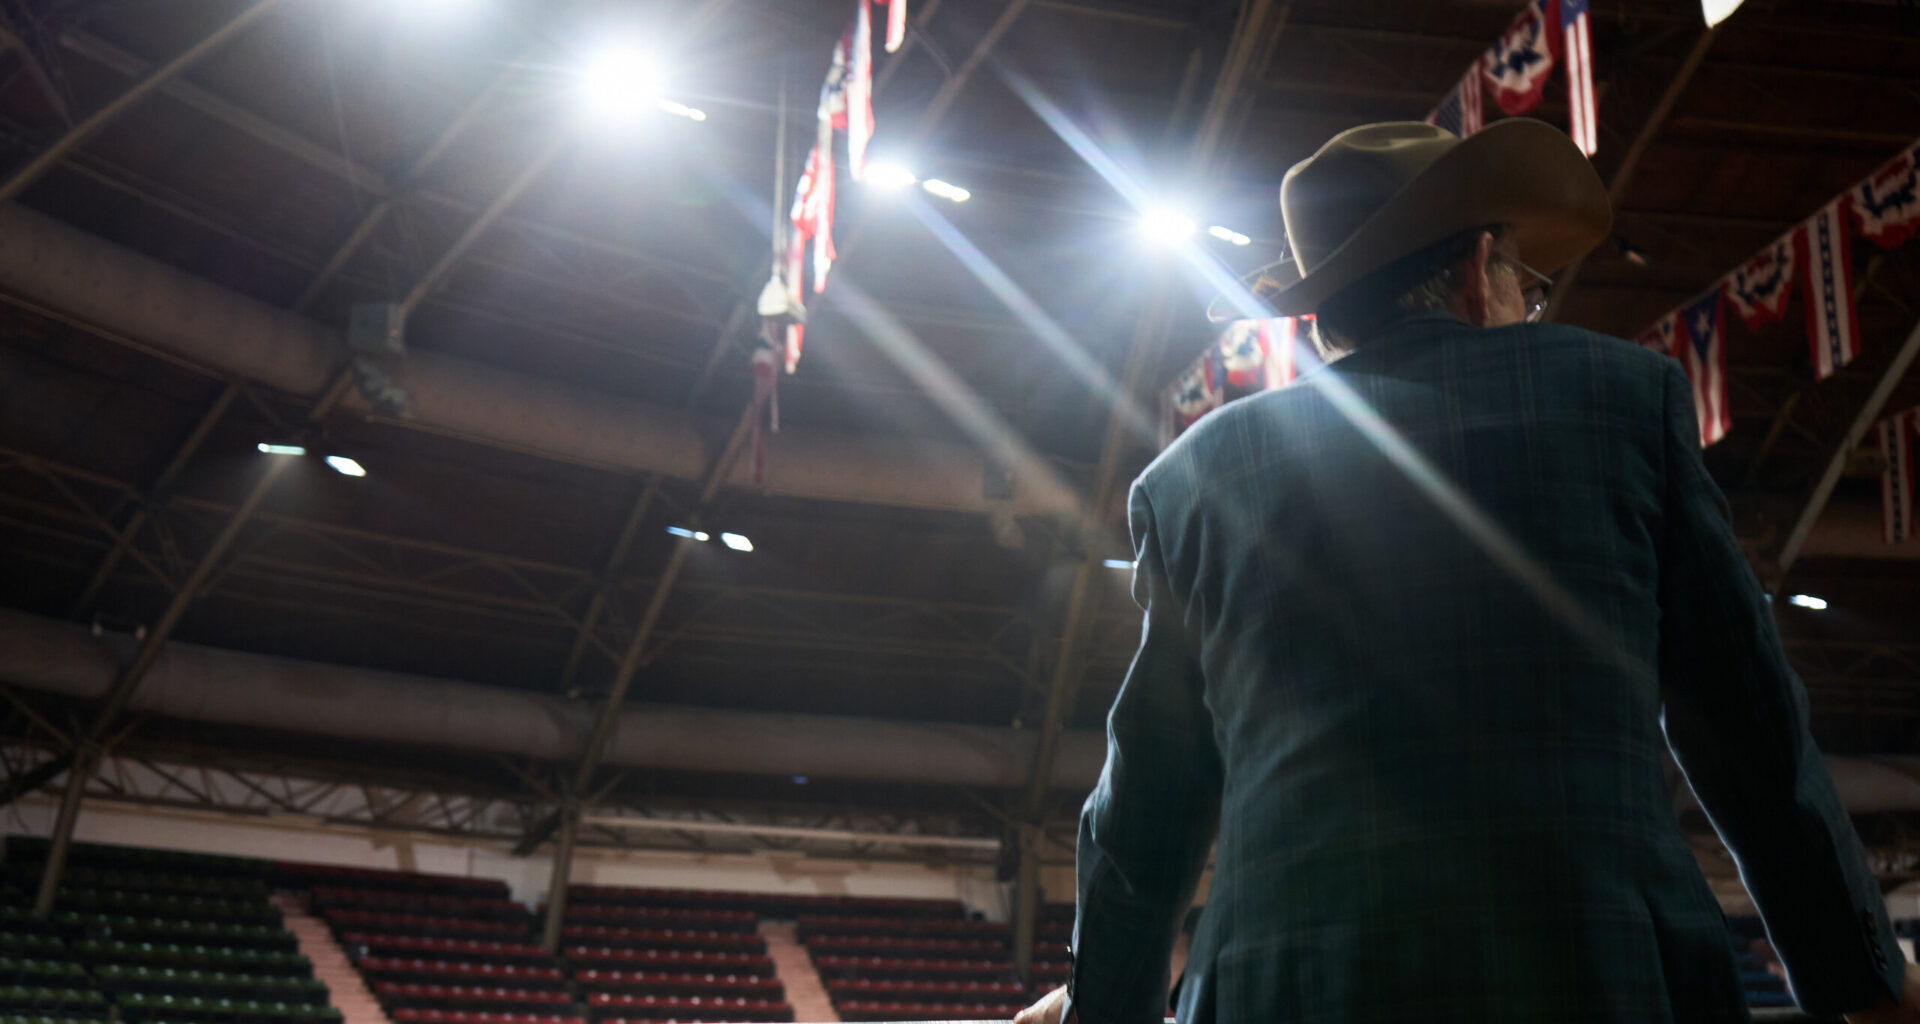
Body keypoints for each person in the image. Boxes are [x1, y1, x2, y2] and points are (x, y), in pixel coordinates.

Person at [1013, 120, 1920, 1024]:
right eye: (1527, 286)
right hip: (1603, 978)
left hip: (1283, 992)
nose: (1527, 307)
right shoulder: (1621, 400)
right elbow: (1746, 726)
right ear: (1476, 266)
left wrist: (1101, 1007)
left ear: (1327, 317)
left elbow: (1149, 800)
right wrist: (1864, 979)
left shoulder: (1194, 479)